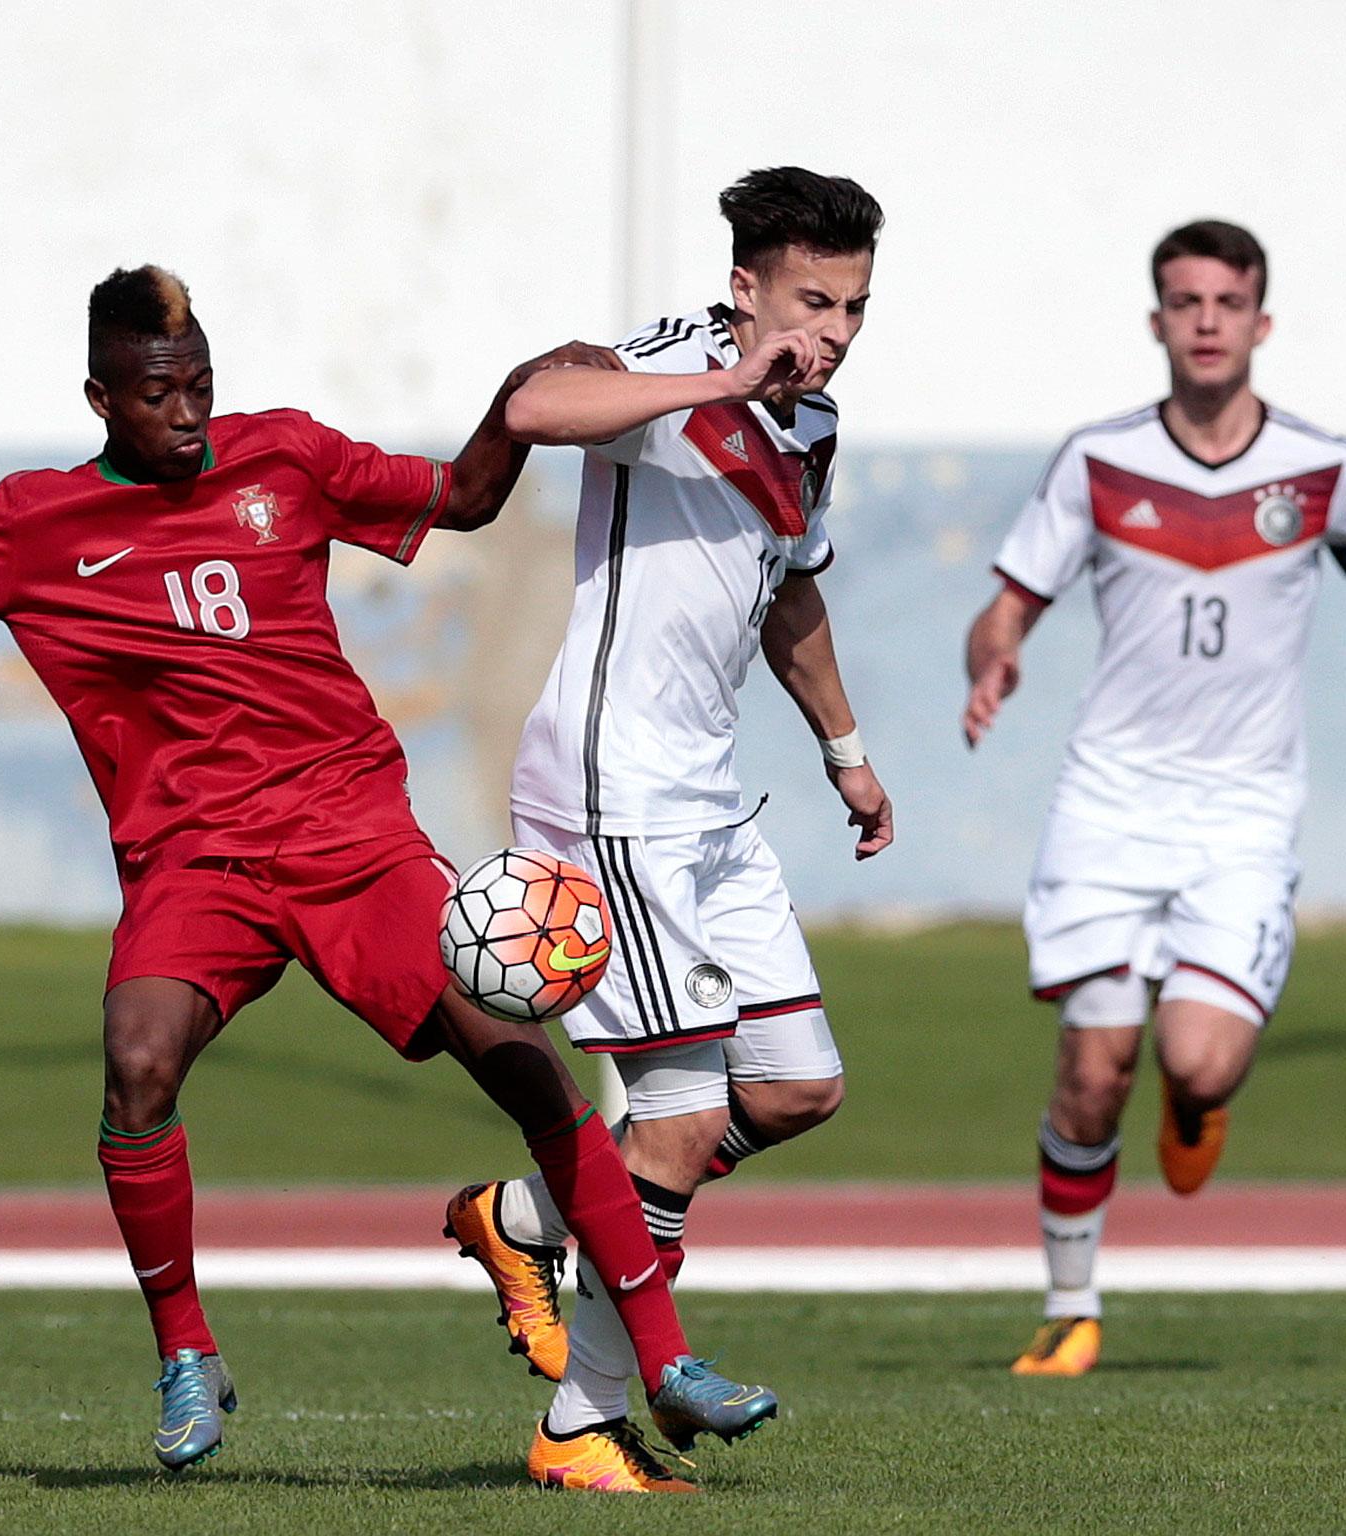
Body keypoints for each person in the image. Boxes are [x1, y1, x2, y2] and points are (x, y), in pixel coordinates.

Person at [0, 266, 779, 1476]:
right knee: (136, 1061)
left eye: (201, 386)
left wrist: (515, 400)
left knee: (519, 1057)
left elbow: (461, 498)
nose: (189, 414)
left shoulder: (286, 457)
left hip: (349, 835)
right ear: (101, 398)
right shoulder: (34, 524)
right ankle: (186, 1355)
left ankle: (663, 1360)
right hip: (193, 861)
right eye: (160, 395)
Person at [443, 167, 894, 1493]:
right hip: (612, 793)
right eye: (812, 299)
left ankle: (526, 1213)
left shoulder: (811, 424)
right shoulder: (680, 367)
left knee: (798, 1085)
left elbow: (789, 598)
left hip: (711, 803)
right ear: (747, 285)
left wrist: (848, 753)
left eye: (856, 306)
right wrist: (720, 376)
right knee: (683, 1120)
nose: (833, 329)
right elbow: (534, 404)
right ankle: (584, 1424)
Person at [962, 220, 1346, 1376]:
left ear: (1259, 324)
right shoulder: (1097, 462)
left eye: (1225, 301)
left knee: (1196, 1060)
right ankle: (1070, 1304)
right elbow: (1010, 600)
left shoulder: (1320, 468)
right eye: (1183, 300)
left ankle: (1198, 1098)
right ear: (1155, 320)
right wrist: (993, 652)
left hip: (1242, 817)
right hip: (1109, 806)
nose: (1204, 319)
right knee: (1091, 1070)